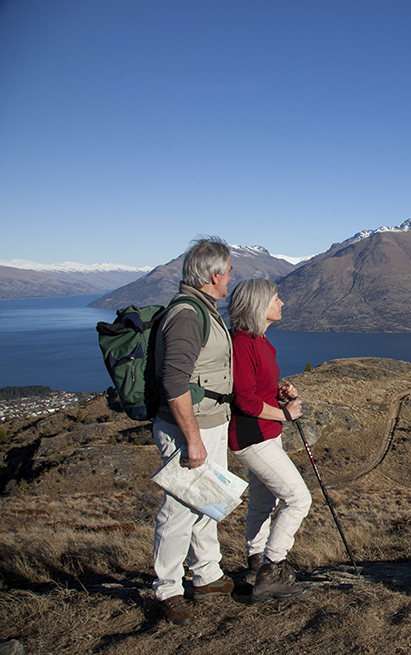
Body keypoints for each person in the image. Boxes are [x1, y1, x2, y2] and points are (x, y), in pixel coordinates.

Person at [151, 236, 235, 624]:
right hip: (190, 429)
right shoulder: (187, 314)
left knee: (206, 500)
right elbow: (174, 382)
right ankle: (167, 588)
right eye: (230, 271)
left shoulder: (205, 307)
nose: (231, 278)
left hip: (211, 422)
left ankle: (207, 575)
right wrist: (193, 438)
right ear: (215, 275)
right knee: (180, 508)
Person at [227, 277, 312, 602]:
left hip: (265, 434)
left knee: (264, 502)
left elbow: (257, 389)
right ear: (260, 305)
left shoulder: (260, 341)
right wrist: (286, 414)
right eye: (276, 298)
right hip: (252, 437)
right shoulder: (242, 343)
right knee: (298, 499)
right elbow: (244, 401)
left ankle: (256, 561)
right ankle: (271, 571)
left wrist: (279, 392)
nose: (282, 303)